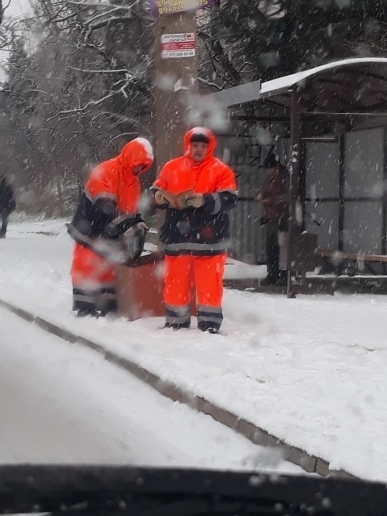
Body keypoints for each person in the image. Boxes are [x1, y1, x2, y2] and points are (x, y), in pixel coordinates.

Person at [152, 127, 237, 334]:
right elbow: (156, 190)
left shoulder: (221, 170)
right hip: (178, 239)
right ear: (188, 146)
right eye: (195, 145)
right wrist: (159, 197)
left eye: (202, 146)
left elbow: (229, 200)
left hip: (210, 242)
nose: (198, 149)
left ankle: (209, 328)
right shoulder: (171, 168)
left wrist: (204, 200)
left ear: (209, 147)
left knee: (210, 287)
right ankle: (176, 324)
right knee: (175, 285)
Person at [67, 137, 154, 317]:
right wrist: (127, 223)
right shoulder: (107, 170)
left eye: (143, 166)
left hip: (108, 232)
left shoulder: (133, 181)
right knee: (86, 266)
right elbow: (104, 205)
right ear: (130, 157)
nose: (139, 169)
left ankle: (106, 305)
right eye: (138, 164)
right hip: (89, 228)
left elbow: (130, 209)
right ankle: (85, 307)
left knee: (107, 270)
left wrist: (137, 221)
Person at [256, 148, 289, 286]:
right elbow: (265, 192)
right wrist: (263, 197)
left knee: (283, 250)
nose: (268, 171)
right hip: (271, 217)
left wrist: (272, 200)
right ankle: (272, 274)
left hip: (283, 217)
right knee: (271, 248)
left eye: (271, 168)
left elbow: (289, 196)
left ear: (277, 167)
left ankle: (284, 275)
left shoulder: (285, 178)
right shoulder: (269, 179)